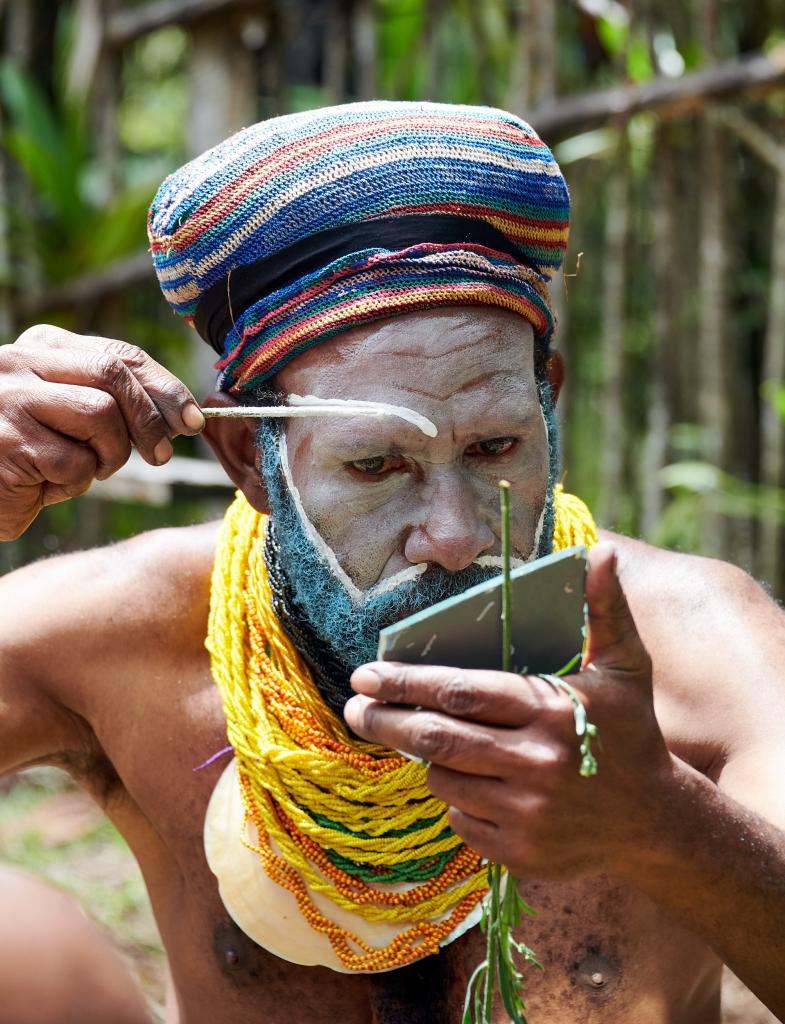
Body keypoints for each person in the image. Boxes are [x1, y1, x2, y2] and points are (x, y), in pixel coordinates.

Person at [0, 101, 783, 1024]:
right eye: (375, 465)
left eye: (495, 448)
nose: (452, 537)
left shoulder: (695, 648)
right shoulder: (119, 639)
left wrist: (663, 823)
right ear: (253, 460)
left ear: (548, 404)